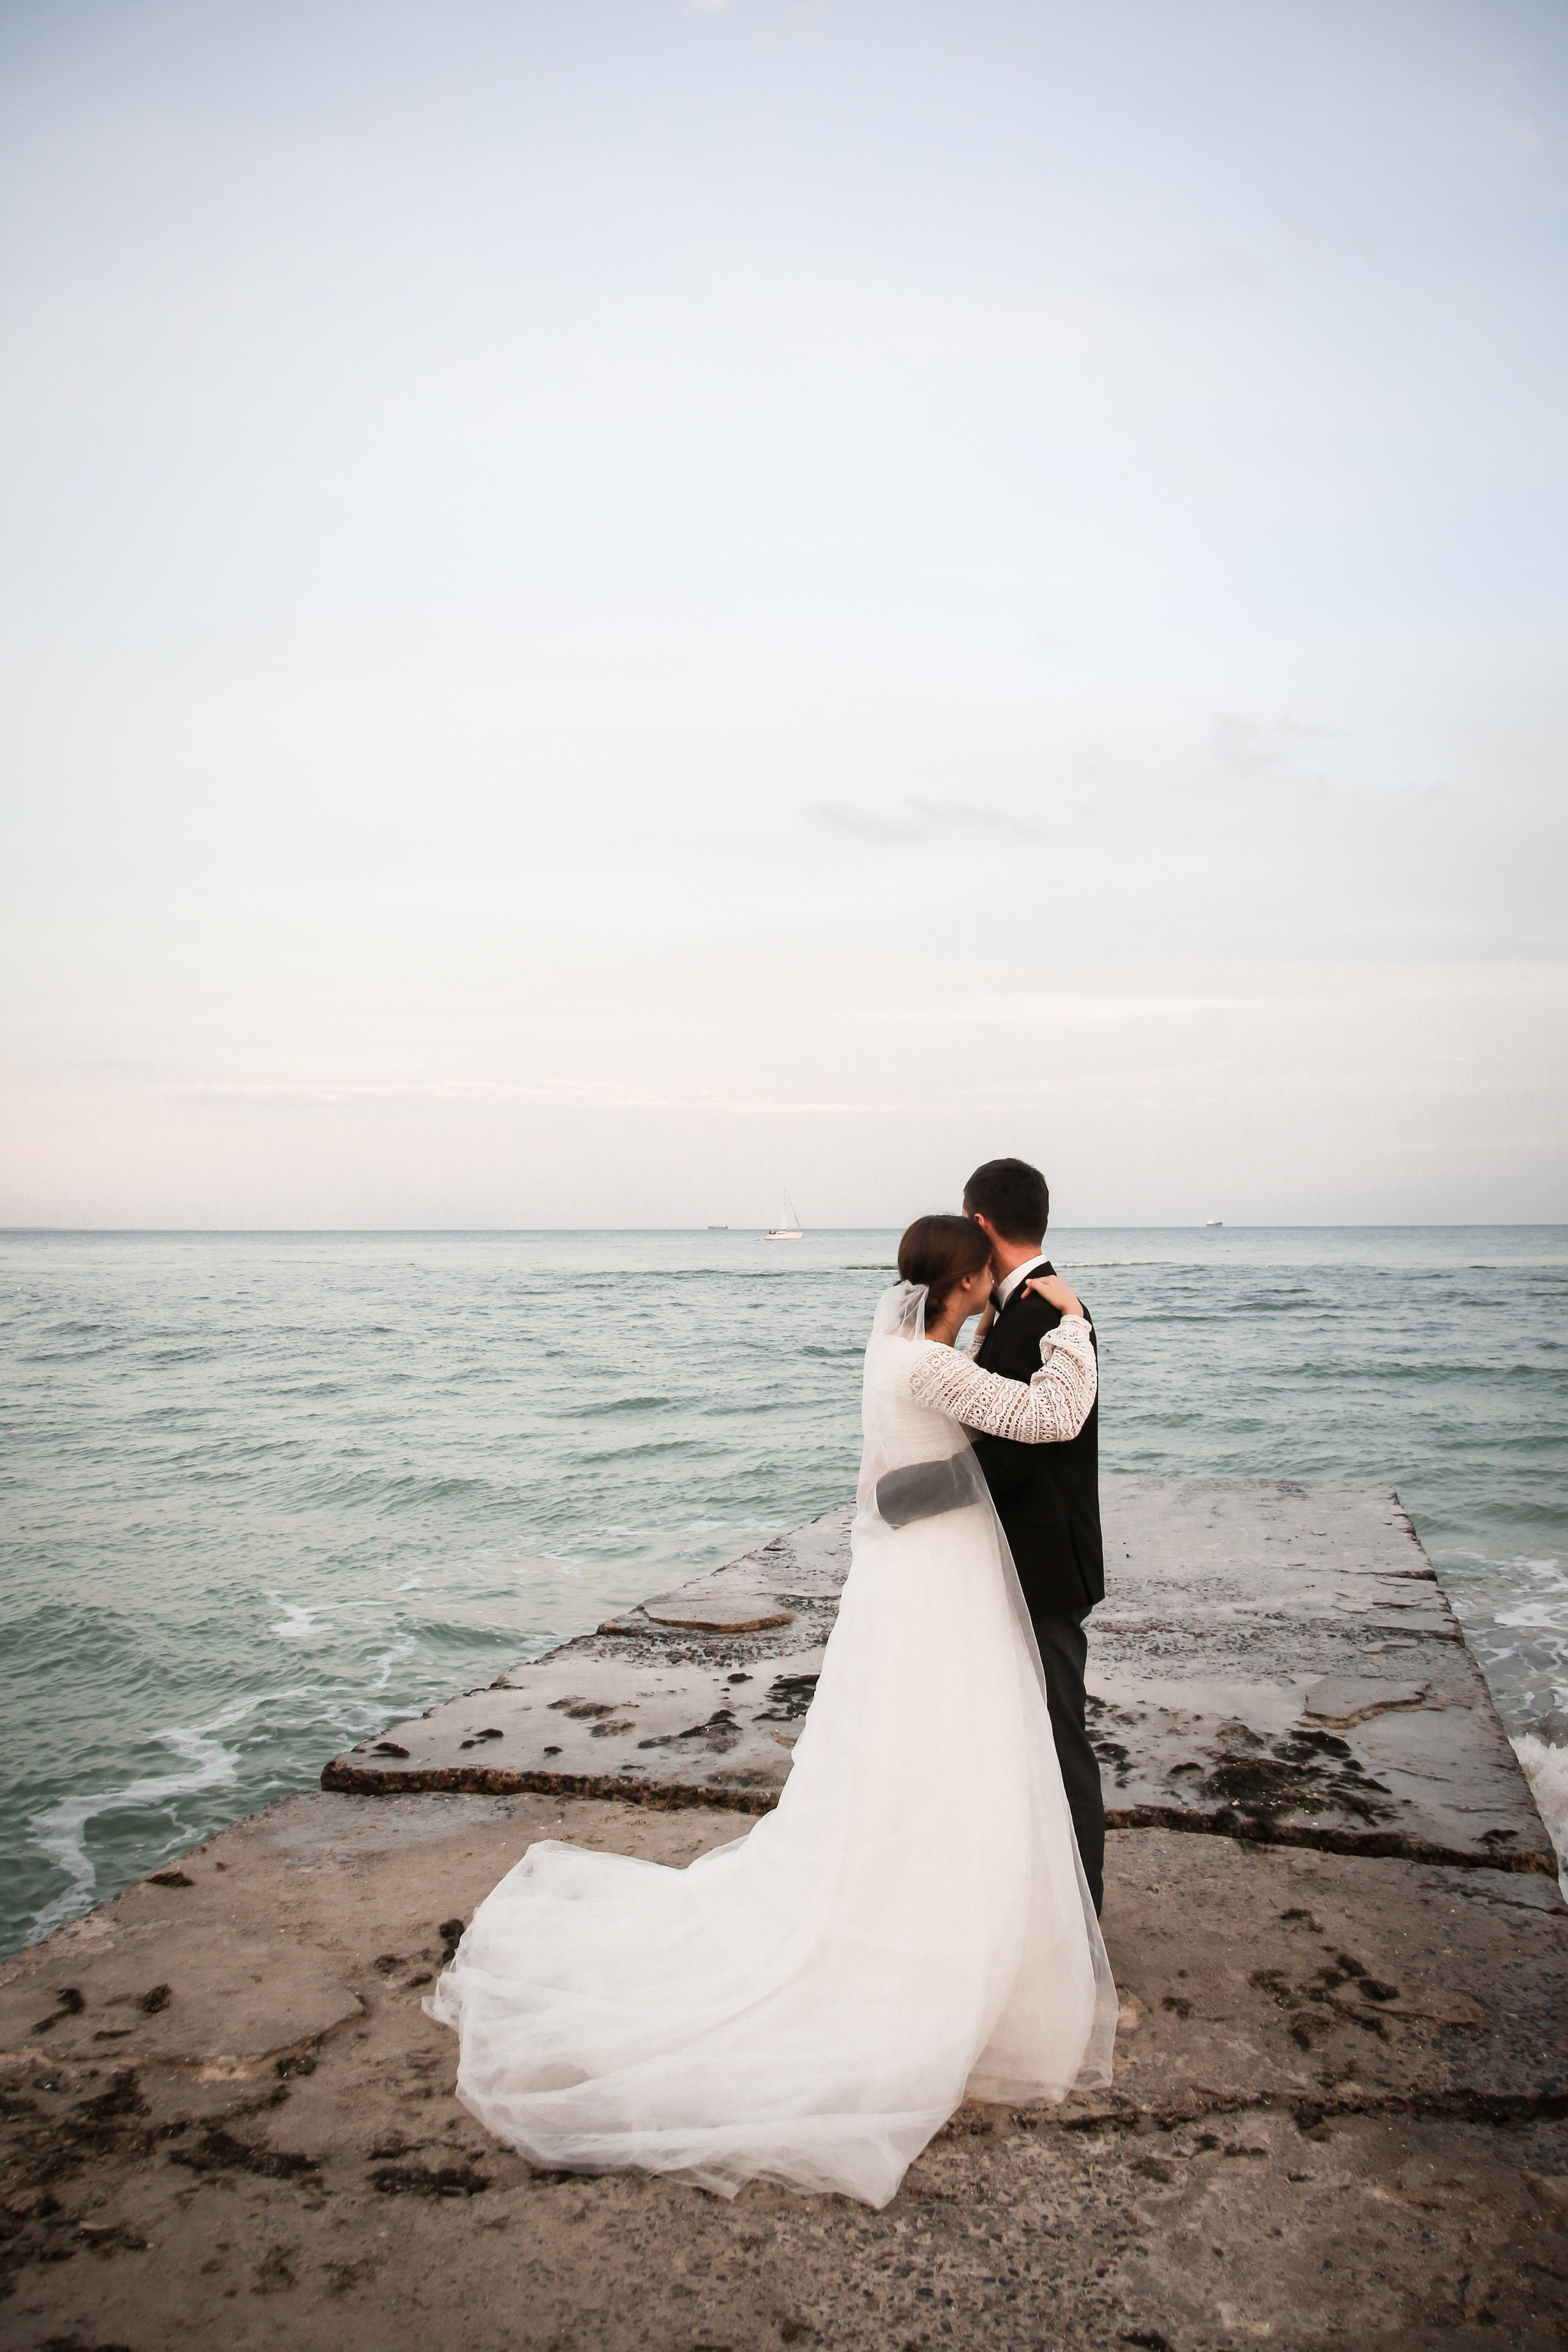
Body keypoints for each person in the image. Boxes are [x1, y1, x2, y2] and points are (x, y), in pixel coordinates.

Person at [426, 1214, 1115, 2208]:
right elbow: (1053, 1416)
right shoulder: (928, 1371)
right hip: (940, 1582)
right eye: (978, 1287)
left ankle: (919, 1910)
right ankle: (937, 1940)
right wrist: (1072, 1326)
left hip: (911, 1574)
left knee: (908, 1749)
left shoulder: (893, 1353)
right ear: (967, 1283)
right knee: (958, 1744)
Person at [962, 1156, 1106, 1913]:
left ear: (982, 1225)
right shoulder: (1037, 1307)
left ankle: (1083, 1922)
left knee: (1059, 1743)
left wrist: (924, 1494)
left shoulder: (1047, 1313)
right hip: (1036, 1558)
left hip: (1043, 1567)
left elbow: (1020, 1454)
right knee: (1029, 1738)